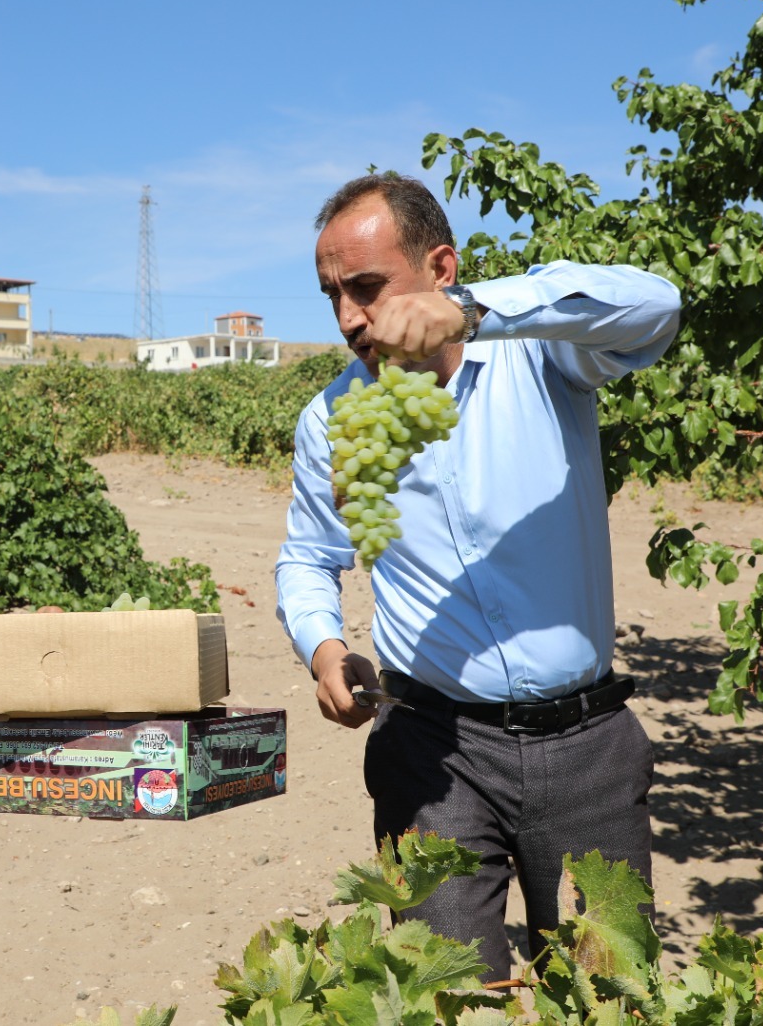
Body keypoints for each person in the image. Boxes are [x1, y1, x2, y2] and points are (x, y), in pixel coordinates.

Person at [274, 172, 681, 981]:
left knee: (604, 992)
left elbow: (656, 305)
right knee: (449, 993)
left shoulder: (542, 357)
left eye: (367, 287)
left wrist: (476, 313)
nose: (351, 318)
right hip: (432, 752)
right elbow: (310, 558)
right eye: (333, 297)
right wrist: (324, 649)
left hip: (586, 747)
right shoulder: (331, 420)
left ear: (442, 268)